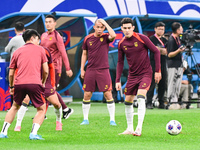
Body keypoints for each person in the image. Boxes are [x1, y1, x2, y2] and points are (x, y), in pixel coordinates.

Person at [116, 18, 161, 136]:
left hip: (146, 73)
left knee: (141, 97)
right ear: (121, 29)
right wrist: (117, 80)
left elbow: (156, 51)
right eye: (124, 28)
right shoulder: (121, 43)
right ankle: (129, 128)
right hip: (132, 75)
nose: (127, 30)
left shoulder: (142, 38)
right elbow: (120, 62)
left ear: (133, 28)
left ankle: (139, 129)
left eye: (129, 28)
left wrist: (157, 71)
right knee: (127, 101)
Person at [0, 29, 49, 140]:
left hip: (19, 83)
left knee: (14, 107)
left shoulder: (17, 51)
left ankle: (3, 132)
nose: (39, 41)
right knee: (41, 109)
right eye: (37, 39)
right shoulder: (41, 50)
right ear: (32, 38)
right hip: (35, 83)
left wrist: (12, 86)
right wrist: (43, 82)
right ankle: (33, 133)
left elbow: (11, 73)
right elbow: (46, 71)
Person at [14, 47, 63, 131]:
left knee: (56, 103)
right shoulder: (25, 50)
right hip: (31, 79)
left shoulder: (45, 51)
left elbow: (51, 67)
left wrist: (52, 83)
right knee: (25, 100)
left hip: (45, 81)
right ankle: (18, 125)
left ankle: (58, 122)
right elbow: (18, 68)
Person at [80, 19, 117, 126]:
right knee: (87, 94)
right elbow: (84, 54)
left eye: (102, 27)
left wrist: (105, 23)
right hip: (90, 70)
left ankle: (112, 120)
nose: (100, 29)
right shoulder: (88, 38)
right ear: (94, 27)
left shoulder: (106, 37)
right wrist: (82, 69)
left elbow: (113, 35)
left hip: (103, 70)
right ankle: (85, 119)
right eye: (98, 27)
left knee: (107, 93)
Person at [40, 14, 74, 119]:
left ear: (55, 23)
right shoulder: (43, 35)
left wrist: (68, 68)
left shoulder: (57, 36)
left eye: (50, 22)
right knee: (45, 89)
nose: (48, 24)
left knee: (49, 90)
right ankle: (65, 110)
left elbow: (63, 53)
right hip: (44, 67)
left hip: (54, 68)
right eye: (46, 22)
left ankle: (63, 109)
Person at [146, 22, 168, 109]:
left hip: (163, 63)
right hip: (153, 64)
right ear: (155, 29)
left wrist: (159, 49)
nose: (161, 31)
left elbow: (166, 52)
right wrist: (160, 50)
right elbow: (155, 50)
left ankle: (161, 102)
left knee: (163, 84)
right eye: (159, 29)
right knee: (151, 84)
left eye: (162, 29)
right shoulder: (151, 39)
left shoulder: (165, 40)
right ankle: (149, 102)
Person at [167, 22, 186, 110]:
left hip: (178, 64)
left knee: (177, 84)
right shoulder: (171, 39)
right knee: (172, 83)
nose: (182, 30)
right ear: (177, 30)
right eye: (181, 29)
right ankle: (170, 102)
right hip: (172, 65)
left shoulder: (178, 38)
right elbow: (169, 54)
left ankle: (175, 101)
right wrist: (178, 51)